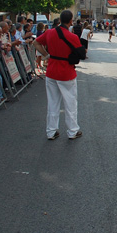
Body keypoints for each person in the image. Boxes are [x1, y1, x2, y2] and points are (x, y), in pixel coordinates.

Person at [33, 10, 83, 140]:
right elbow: (80, 53)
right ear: (71, 21)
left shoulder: (49, 33)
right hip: (66, 72)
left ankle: (51, 131)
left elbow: (36, 43)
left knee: (53, 103)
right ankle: (72, 131)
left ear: (59, 20)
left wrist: (46, 55)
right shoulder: (72, 37)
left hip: (52, 70)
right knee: (70, 103)